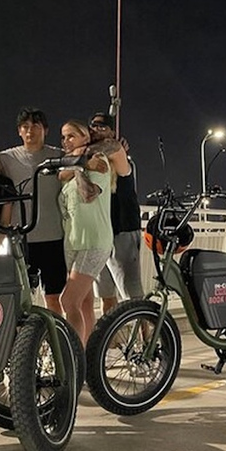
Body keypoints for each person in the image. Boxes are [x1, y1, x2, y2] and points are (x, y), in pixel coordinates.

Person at [58, 120, 131, 345]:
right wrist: (79, 163)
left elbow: (88, 194)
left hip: (94, 240)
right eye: (63, 137)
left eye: (72, 136)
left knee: (68, 301)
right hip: (74, 242)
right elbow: (60, 175)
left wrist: (82, 163)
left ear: (85, 138)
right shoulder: (71, 166)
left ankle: (73, 356)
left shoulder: (99, 161)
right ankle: (88, 351)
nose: (66, 141)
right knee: (84, 302)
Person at [0, 107, 66, 314]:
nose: (30, 131)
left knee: (54, 297)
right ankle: (23, 343)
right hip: (21, 239)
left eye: (35, 126)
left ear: (45, 130)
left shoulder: (59, 156)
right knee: (19, 298)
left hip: (54, 238)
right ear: (19, 131)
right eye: (25, 127)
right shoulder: (5, 158)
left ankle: (56, 341)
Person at [89, 112, 144, 315]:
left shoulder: (117, 153)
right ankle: (110, 339)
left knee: (131, 293)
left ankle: (147, 338)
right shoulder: (89, 160)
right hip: (99, 234)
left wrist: (79, 150)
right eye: (93, 126)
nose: (97, 130)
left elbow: (113, 148)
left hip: (123, 229)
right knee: (106, 294)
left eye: (103, 127)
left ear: (112, 131)